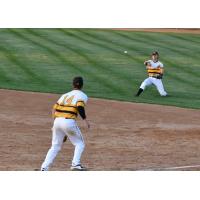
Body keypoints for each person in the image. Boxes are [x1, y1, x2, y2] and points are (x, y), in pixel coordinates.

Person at [41, 76, 90, 171]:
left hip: (57, 121)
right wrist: (85, 121)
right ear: (82, 85)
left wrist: (55, 124)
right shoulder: (82, 95)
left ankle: (44, 167)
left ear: (72, 84)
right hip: (68, 122)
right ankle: (75, 164)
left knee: (55, 146)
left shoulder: (64, 95)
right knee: (79, 143)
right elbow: (80, 107)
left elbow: (54, 109)